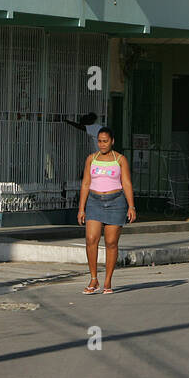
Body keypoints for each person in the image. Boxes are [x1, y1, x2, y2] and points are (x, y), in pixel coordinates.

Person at [77, 126, 136, 294]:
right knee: (91, 238)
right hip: (94, 202)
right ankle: (93, 278)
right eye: (100, 141)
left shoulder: (120, 160)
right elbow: (86, 184)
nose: (102, 145)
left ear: (112, 141)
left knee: (111, 243)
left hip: (116, 202)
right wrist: (81, 208)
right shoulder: (91, 159)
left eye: (105, 141)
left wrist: (131, 206)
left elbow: (126, 183)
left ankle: (108, 281)